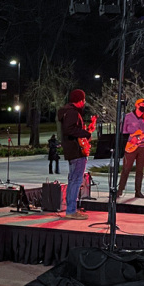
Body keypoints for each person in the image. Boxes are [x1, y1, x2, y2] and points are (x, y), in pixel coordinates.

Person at [59, 89, 96, 219]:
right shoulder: (73, 112)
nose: (84, 102)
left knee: (73, 180)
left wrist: (86, 130)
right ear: (80, 101)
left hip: (72, 150)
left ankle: (71, 209)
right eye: (84, 100)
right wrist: (86, 134)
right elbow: (70, 130)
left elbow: (72, 129)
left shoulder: (67, 111)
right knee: (76, 181)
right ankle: (71, 210)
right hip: (76, 150)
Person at [118, 98, 144, 198]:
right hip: (130, 147)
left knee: (140, 170)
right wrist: (131, 138)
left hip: (143, 147)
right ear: (136, 105)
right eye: (142, 104)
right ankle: (120, 190)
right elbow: (122, 132)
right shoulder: (127, 117)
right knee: (126, 169)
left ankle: (138, 191)